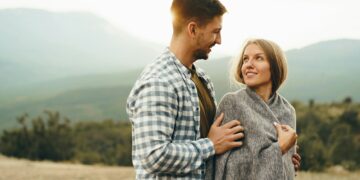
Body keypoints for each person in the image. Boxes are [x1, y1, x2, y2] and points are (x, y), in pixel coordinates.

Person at [126, 0, 245, 179]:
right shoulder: (159, 82)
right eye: (216, 32)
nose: (219, 40)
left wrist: (281, 153)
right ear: (193, 29)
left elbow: (221, 142)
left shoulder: (202, 79)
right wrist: (210, 145)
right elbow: (153, 156)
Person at [206, 39, 299, 180]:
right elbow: (222, 167)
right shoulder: (233, 103)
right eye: (245, 59)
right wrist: (278, 149)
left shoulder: (288, 111)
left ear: (274, 66)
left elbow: (287, 168)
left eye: (259, 58)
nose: (248, 65)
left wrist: (287, 163)